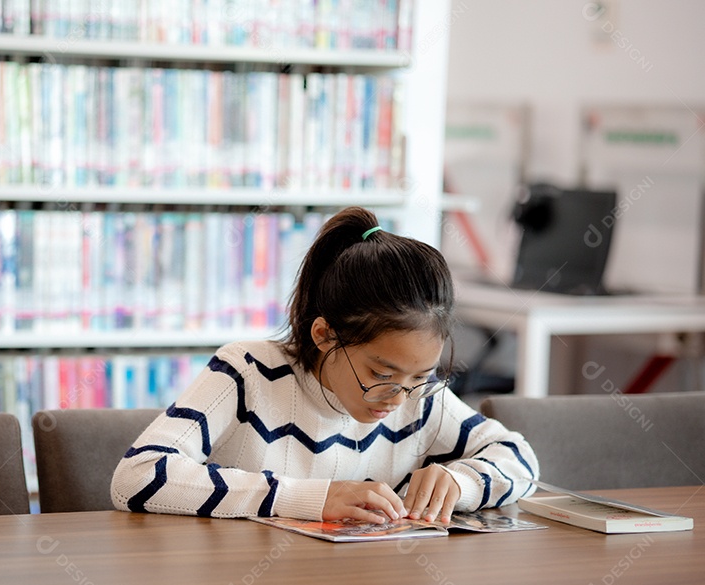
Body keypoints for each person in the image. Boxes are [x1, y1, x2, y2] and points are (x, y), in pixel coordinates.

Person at [111, 206, 538, 524]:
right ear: (324, 335)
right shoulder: (247, 372)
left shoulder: (418, 399)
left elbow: (522, 459)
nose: (397, 398)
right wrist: (310, 498)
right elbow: (136, 475)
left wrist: (460, 482)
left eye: (421, 377)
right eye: (380, 374)